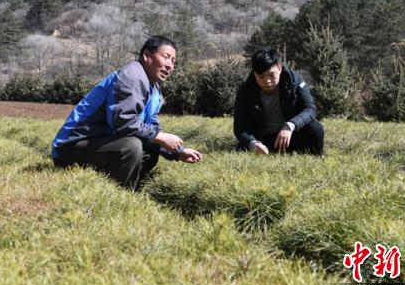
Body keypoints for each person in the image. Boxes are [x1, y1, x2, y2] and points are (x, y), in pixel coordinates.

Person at [51, 35, 203, 191]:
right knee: (131, 147)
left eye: (173, 61)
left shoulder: (154, 89)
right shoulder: (133, 77)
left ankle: (122, 190)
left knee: (149, 152)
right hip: (70, 149)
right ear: (147, 56)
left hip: (98, 143)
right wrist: (160, 137)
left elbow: (149, 126)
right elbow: (122, 123)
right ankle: (115, 197)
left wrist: (178, 152)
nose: (170, 65)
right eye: (166, 57)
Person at [234, 48, 324, 156]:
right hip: (263, 140)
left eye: (271, 75)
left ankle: (318, 156)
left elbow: (310, 109)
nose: (267, 81)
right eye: (261, 77)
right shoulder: (245, 91)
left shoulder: (294, 81)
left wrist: (290, 125)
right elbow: (240, 127)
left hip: (291, 135)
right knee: (244, 146)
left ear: (280, 68)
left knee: (316, 128)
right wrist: (253, 143)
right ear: (254, 74)